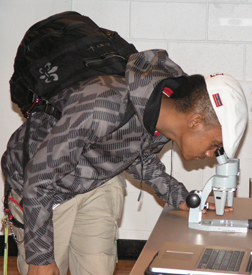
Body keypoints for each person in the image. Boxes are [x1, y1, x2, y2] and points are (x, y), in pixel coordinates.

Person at [1, 49, 248, 275]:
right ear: (195, 122)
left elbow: (137, 154)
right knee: (47, 268)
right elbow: (39, 178)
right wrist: (41, 258)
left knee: (98, 268)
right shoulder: (103, 104)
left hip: (96, 180)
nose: (210, 154)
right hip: (46, 189)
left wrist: (179, 196)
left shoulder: (161, 114)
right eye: (215, 144)